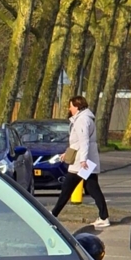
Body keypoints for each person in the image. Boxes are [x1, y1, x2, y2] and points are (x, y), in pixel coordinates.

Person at [50, 95, 110, 229]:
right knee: (91, 187)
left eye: (71, 106)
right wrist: (67, 153)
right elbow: (79, 142)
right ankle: (103, 216)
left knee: (68, 188)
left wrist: (83, 160)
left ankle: (53, 214)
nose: (69, 108)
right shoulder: (85, 118)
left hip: (81, 162)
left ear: (77, 107)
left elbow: (84, 141)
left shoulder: (82, 120)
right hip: (84, 159)